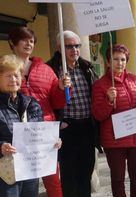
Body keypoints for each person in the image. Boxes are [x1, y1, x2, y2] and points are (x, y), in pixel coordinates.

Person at [8, 26, 70, 197]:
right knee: (20, 182)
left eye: (32, 40)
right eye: (24, 39)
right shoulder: (5, 68)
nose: (29, 43)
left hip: (43, 131)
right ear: (12, 43)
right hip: (16, 132)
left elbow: (57, 102)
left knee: (52, 180)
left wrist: (60, 88)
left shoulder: (45, 69)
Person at [92, 44, 136, 197]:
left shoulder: (133, 79)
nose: (120, 63)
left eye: (123, 59)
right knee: (118, 179)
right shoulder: (101, 84)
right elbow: (98, 114)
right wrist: (109, 101)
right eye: (116, 59)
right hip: (114, 141)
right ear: (108, 62)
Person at [0, 54, 61, 197]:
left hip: (29, 171)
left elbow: (39, 134)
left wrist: (52, 142)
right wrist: (1, 146)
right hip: (5, 174)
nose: (13, 80)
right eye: (8, 76)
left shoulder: (31, 103)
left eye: (16, 75)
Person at [46, 30, 98, 197]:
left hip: (87, 127)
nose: (74, 50)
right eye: (69, 46)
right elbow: (46, 100)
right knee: (69, 175)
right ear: (59, 48)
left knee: (86, 171)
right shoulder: (51, 69)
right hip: (66, 128)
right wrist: (57, 123)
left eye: (77, 45)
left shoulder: (87, 67)